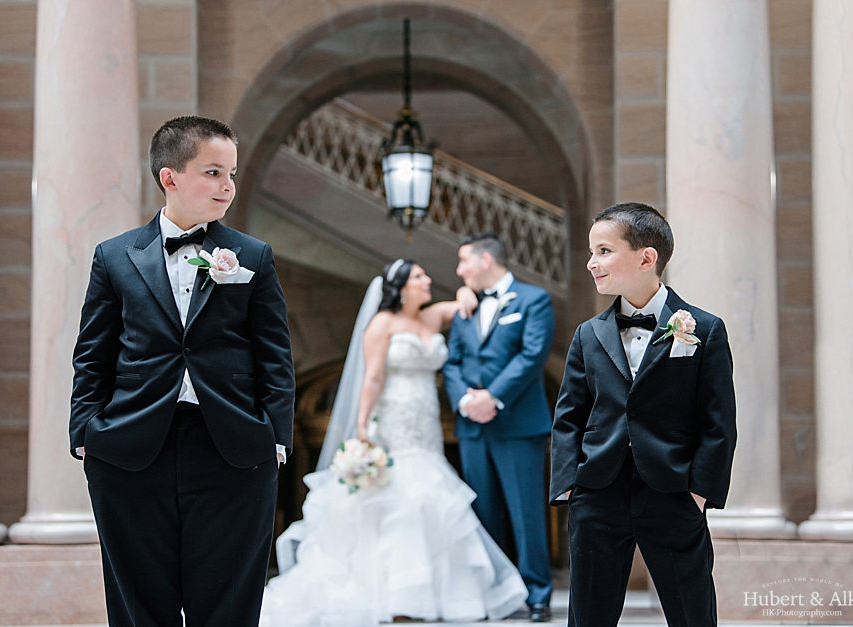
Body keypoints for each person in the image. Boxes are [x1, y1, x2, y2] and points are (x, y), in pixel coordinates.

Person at [70, 116, 295, 626]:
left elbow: (275, 356)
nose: (228, 186)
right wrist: (85, 433)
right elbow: (92, 355)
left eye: (232, 174)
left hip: (233, 448)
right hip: (129, 448)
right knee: (138, 601)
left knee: (230, 601)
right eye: (213, 172)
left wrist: (274, 436)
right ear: (169, 177)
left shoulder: (252, 256)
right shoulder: (114, 257)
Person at [261, 259, 528, 626]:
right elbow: (371, 377)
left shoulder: (432, 317)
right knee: (399, 499)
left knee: (431, 495)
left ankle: (439, 594)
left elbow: (464, 303)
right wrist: (361, 427)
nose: (428, 280)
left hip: (426, 420)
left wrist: (466, 290)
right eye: (420, 276)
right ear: (401, 286)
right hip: (392, 417)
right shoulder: (382, 323)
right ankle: (395, 594)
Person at [550, 202, 736, 627]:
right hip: (598, 492)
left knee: (692, 613)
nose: (591, 262)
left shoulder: (704, 329)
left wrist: (699, 492)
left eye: (603, 251)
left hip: (673, 492)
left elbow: (718, 421)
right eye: (592, 252)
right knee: (589, 616)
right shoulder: (588, 334)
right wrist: (569, 487)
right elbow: (569, 417)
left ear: (646, 258)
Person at [442, 233, 556, 622]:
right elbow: (452, 361)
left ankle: (537, 594)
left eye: (464, 262)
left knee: (526, 513)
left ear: (486, 260)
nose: (459, 271)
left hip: (518, 423)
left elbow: (532, 355)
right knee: (483, 513)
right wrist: (465, 401)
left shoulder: (533, 299)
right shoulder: (465, 306)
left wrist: (492, 396)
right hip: (472, 425)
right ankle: (496, 594)